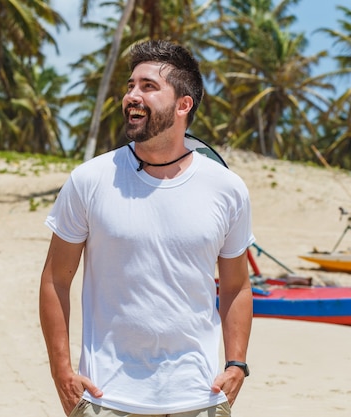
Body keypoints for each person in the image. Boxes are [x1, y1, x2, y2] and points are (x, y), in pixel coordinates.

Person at [39, 39, 254, 417]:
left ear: (183, 105)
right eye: (130, 86)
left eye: (148, 87)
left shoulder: (226, 188)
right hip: (106, 396)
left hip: (199, 394)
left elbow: (236, 286)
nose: (132, 96)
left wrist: (237, 364)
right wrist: (61, 372)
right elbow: (55, 279)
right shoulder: (90, 179)